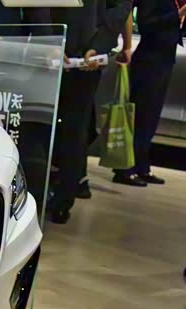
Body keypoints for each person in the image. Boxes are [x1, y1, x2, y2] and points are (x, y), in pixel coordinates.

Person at [38, 0, 133, 224]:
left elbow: (120, 7)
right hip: (46, 52)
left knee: (74, 127)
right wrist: (48, 41)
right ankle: (39, 190)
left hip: (86, 57)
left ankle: (63, 197)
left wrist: (100, 45)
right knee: (39, 124)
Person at [113, 0, 186, 187]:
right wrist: (177, 15)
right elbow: (147, 24)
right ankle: (124, 168)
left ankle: (141, 166)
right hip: (149, 60)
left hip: (165, 59)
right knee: (140, 116)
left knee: (150, 118)